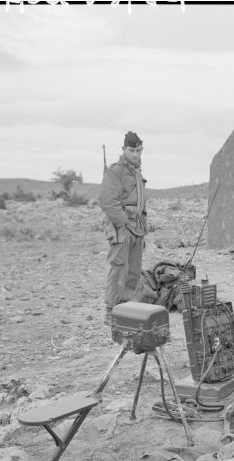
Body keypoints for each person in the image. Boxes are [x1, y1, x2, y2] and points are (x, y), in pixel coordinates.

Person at [99, 131, 148, 325]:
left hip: (137, 227)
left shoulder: (136, 172)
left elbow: (141, 203)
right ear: (123, 150)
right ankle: (111, 312)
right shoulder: (116, 172)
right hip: (122, 227)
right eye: (131, 150)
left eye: (138, 150)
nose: (135, 154)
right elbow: (107, 202)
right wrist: (124, 223)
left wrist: (142, 228)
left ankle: (125, 311)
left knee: (133, 273)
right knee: (119, 270)